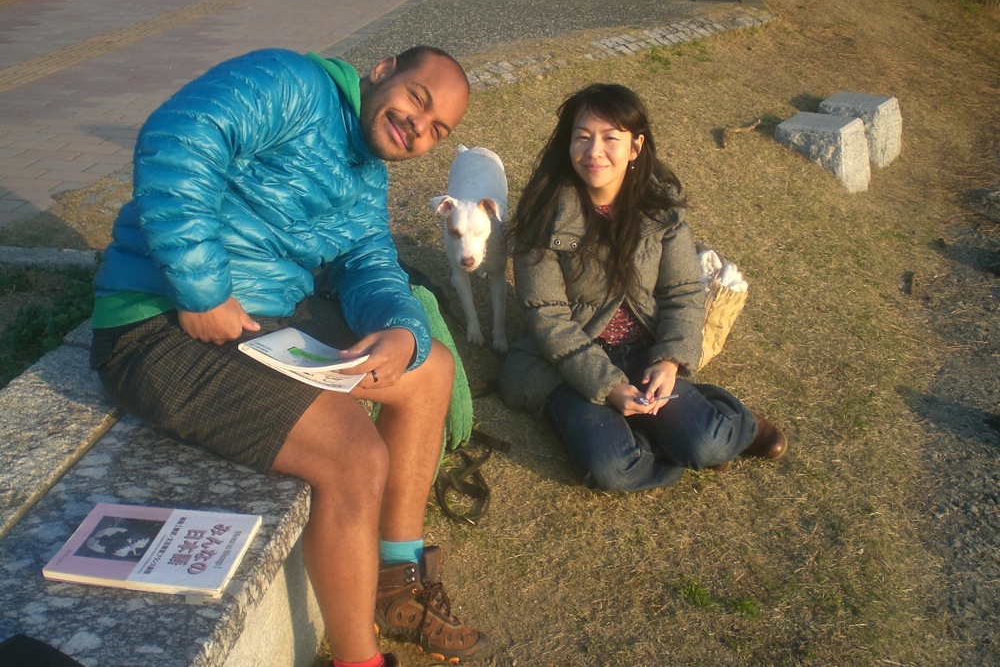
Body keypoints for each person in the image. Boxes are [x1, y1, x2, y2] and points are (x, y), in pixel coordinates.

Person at [89, 46, 489, 667]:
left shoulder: (367, 177)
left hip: (264, 318)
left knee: (429, 367)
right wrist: (203, 289)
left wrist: (401, 331)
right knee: (354, 457)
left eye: (437, 129)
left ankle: (397, 580)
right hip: (159, 320)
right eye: (418, 98)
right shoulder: (294, 84)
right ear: (383, 70)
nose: (418, 126)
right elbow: (180, 137)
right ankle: (358, 659)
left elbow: (367, 263)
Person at [498, 83, 787, 493]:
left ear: (635, 147)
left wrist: (669, 361)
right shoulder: (543, 212)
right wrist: (608, 386)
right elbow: (546, 316)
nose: (594, 151)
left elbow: (682, 291)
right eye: (582, 137)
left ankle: (739, 426)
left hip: (644, 350)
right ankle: (674, 440)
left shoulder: (660, 209)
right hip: (569, 361)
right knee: (611, 467)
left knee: (707, 443)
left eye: (610, 138)